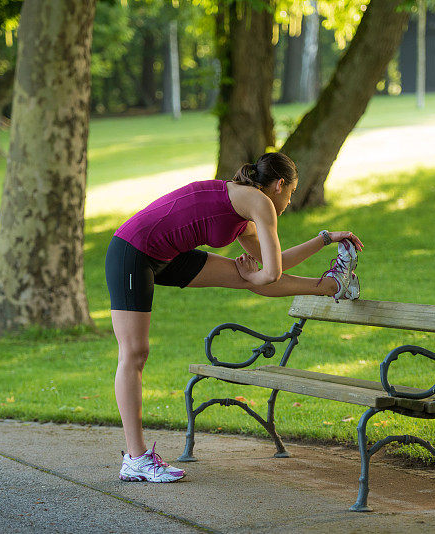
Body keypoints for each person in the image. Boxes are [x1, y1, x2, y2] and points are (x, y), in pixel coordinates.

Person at [105, 151, 363, 483]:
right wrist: (256, 278)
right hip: (133, 251)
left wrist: (324, 239)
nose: (288, 202)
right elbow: (268, 274)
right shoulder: (259, 202)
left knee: (248, 275)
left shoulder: (245, 209)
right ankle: (136, 459)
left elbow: (274, 264)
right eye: (291, 193)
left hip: (168, 254)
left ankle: (332, 286)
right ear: (280, 185)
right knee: (135, 352)